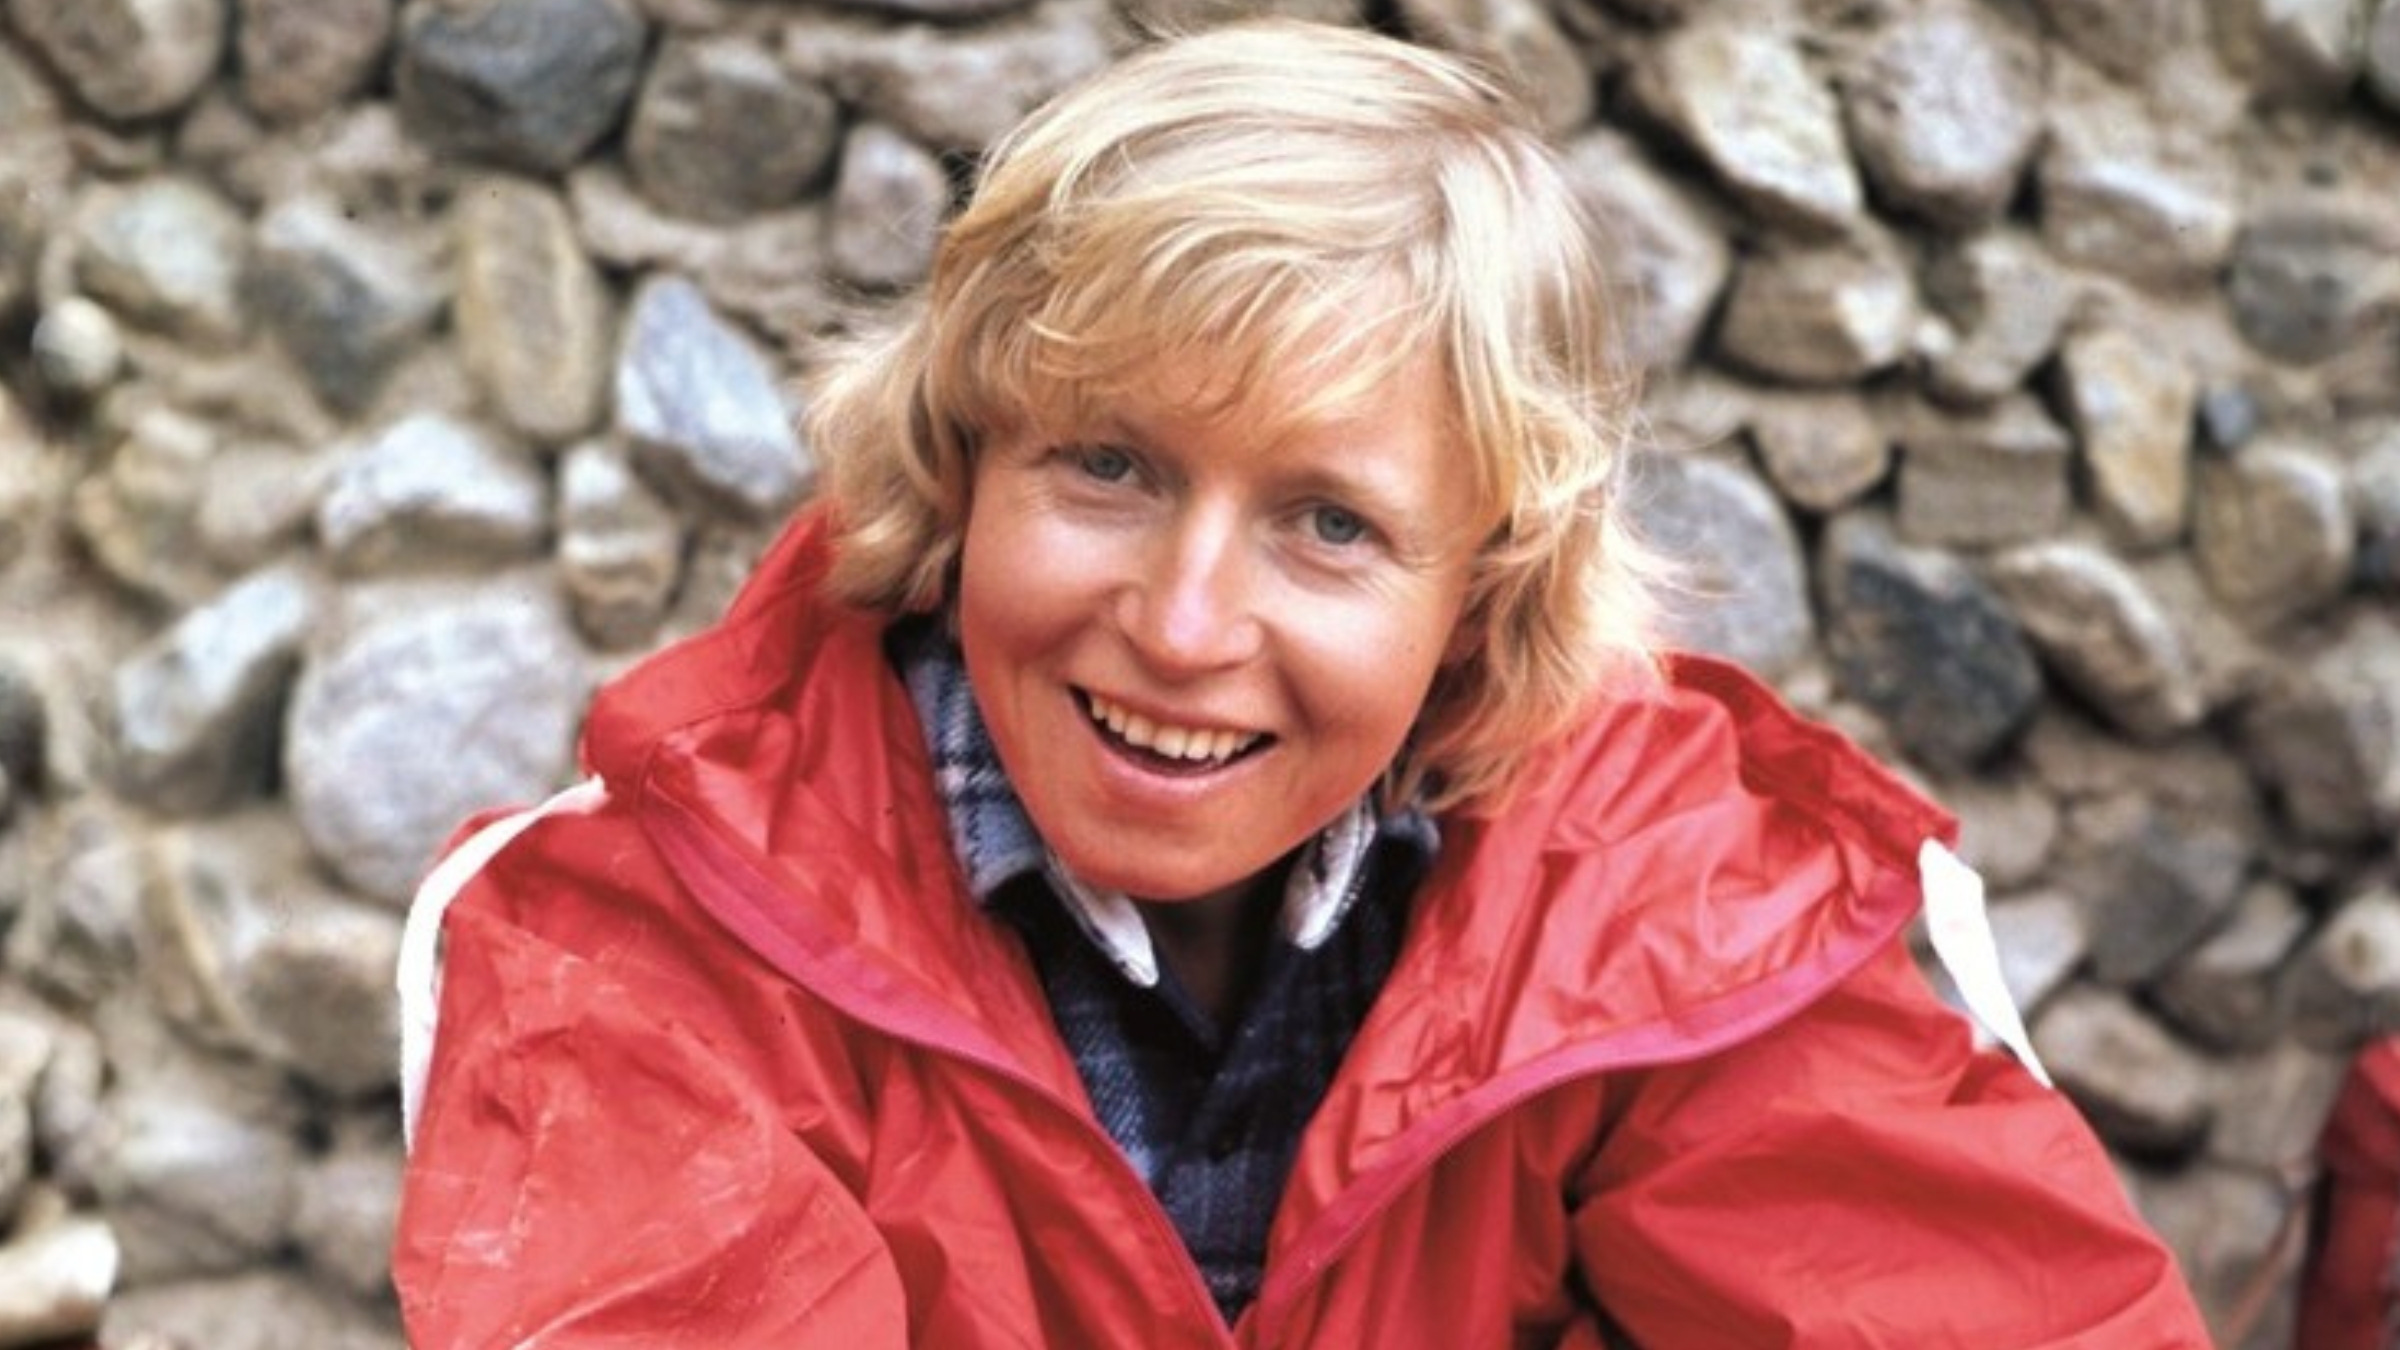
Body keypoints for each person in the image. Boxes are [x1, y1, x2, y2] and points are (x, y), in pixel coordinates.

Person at [393, 21, 2210, 1347]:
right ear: (957, 469)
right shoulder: (655, 931)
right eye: (1105, 464)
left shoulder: (1662, 901)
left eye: (1329, 523)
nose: (1184, 625)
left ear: (1485, 587)